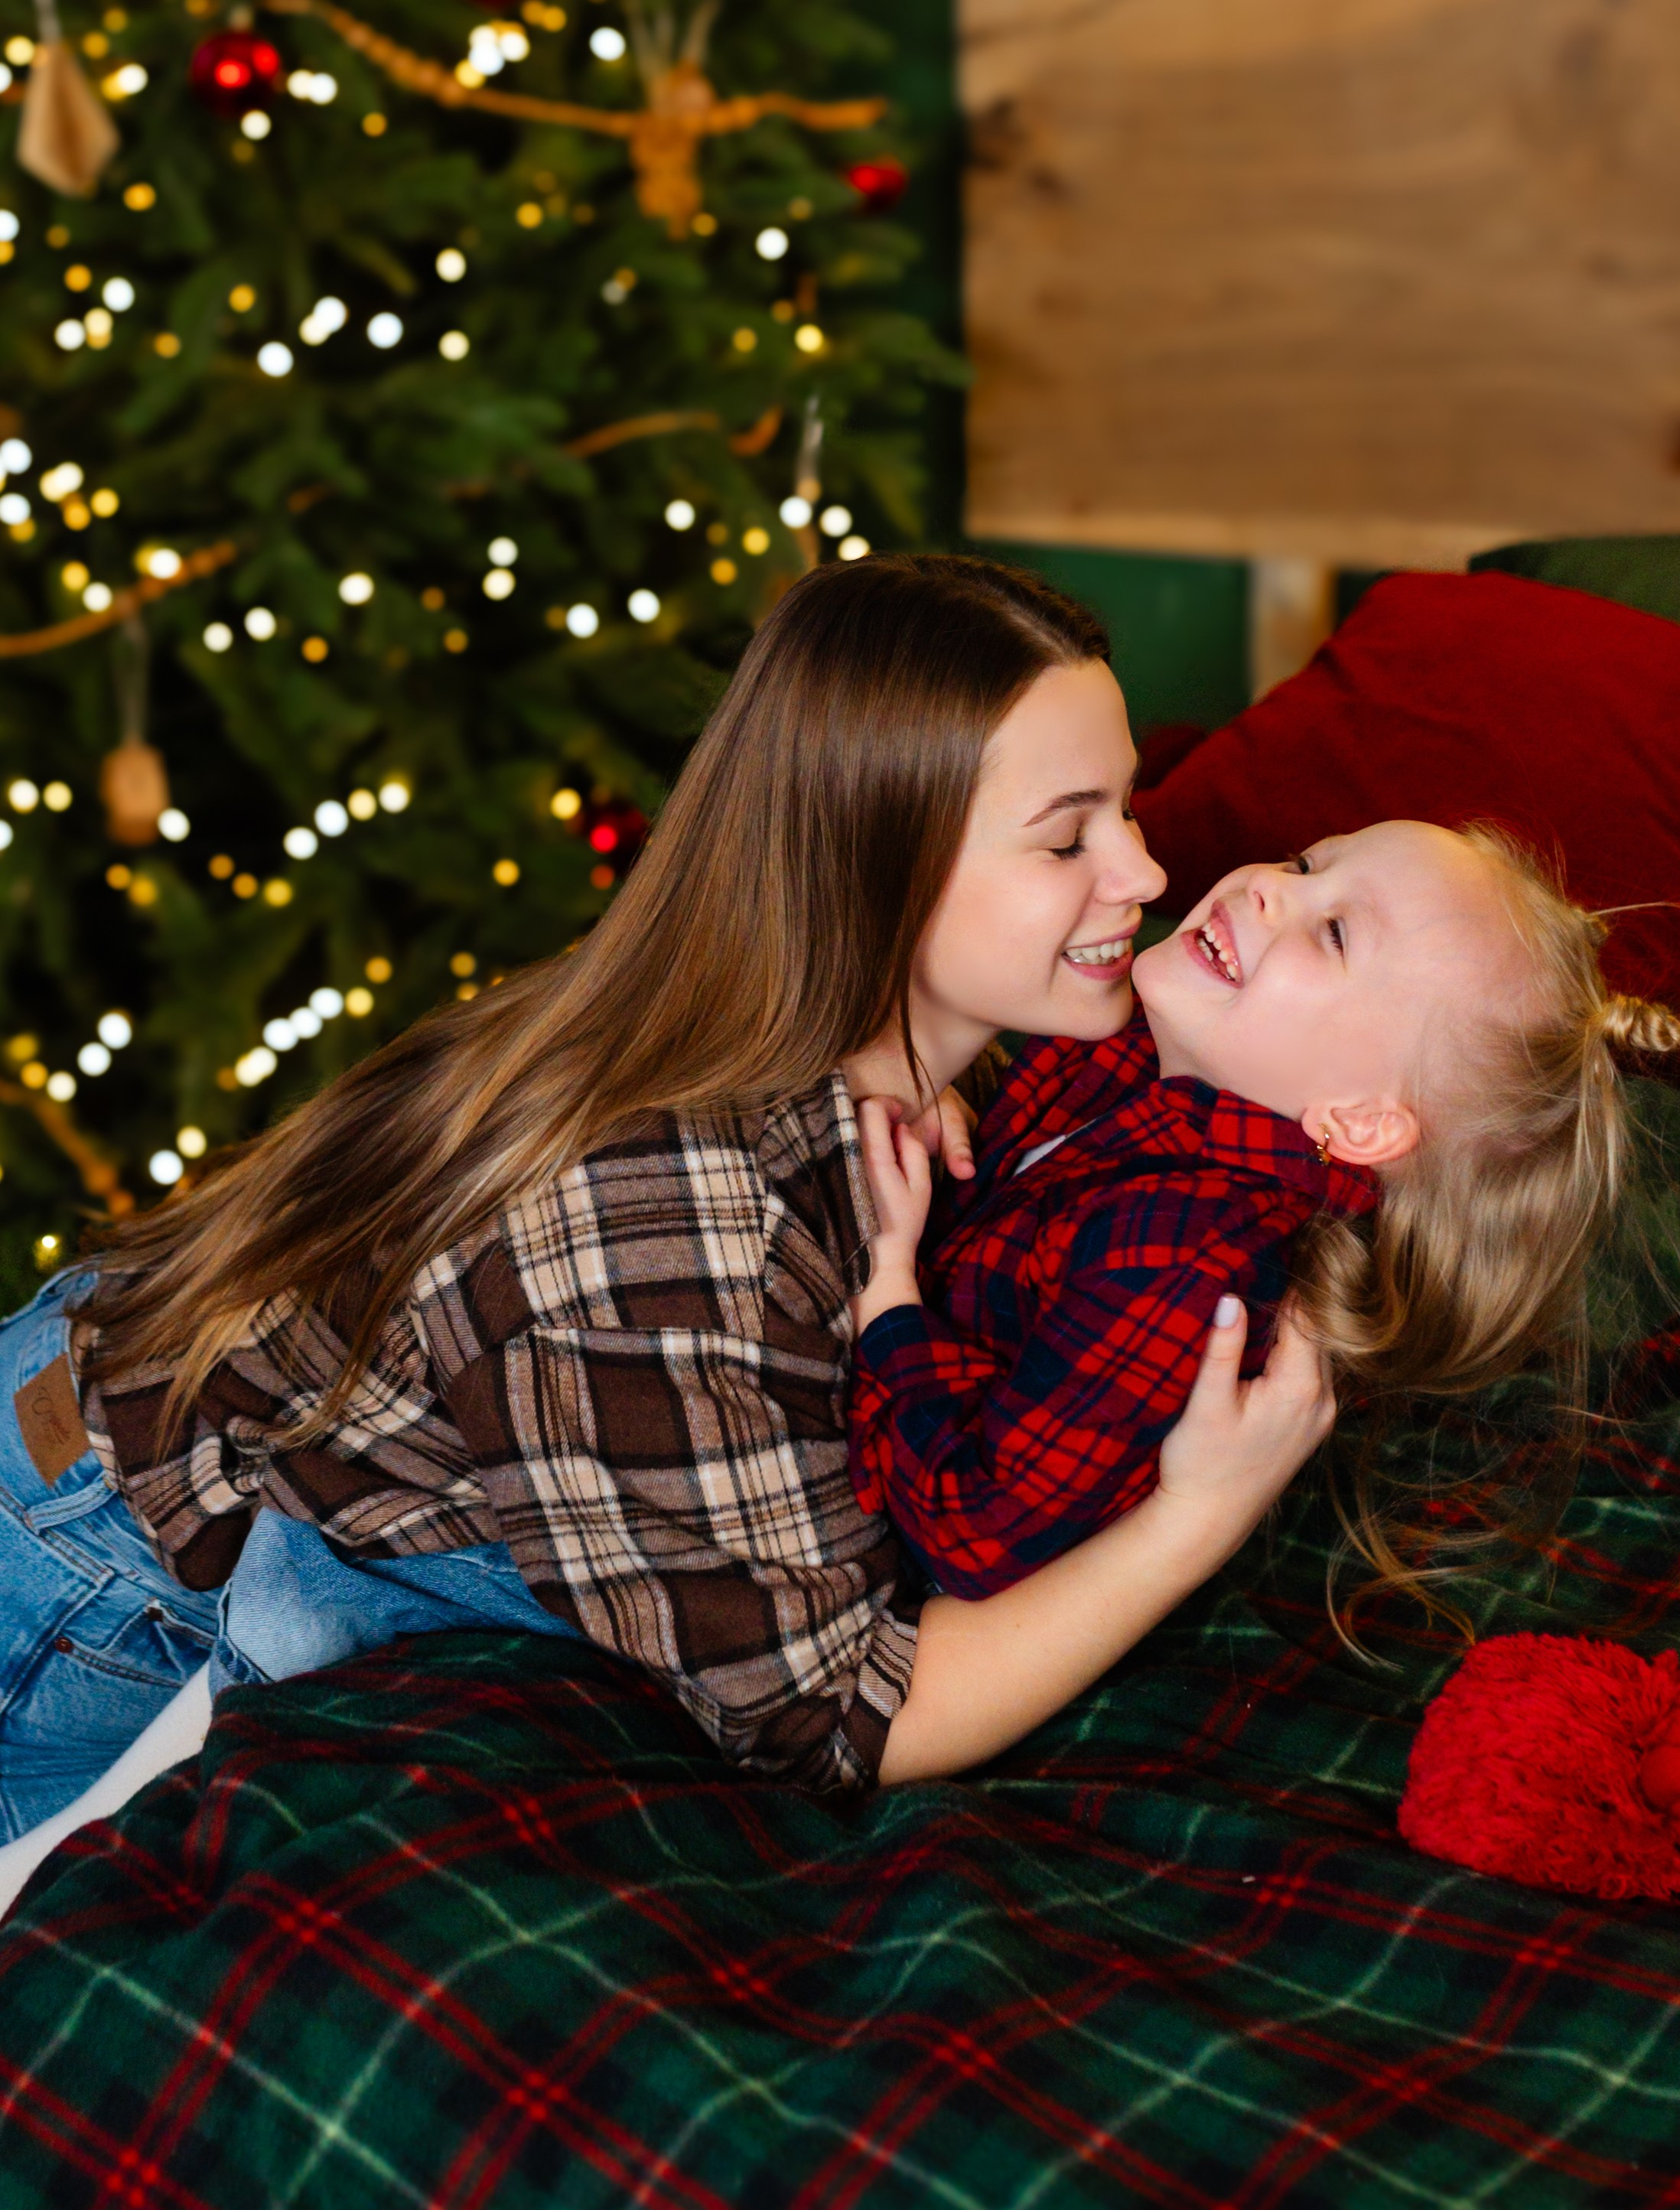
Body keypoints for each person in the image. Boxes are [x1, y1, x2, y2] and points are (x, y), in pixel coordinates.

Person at [0, 554, 1333, 1844]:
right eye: (1065, 841)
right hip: (94, 1572)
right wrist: (1196, 1516)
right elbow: (842, 1712)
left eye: (1129, 809)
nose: (1146, 876)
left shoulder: (876, 1051)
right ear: (879, 865)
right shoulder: (671, 1219)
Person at [848, 819, 1680, 1604]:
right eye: (1306, 865)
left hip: (884, 1527)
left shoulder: (1186, 1261)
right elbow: (1015, 1198)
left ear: (1357, 1121)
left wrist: (888, 1303)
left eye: (1335, 934)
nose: (1267, 888)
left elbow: (976, 1536)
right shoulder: (1141, 1045)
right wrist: (957, 1109)